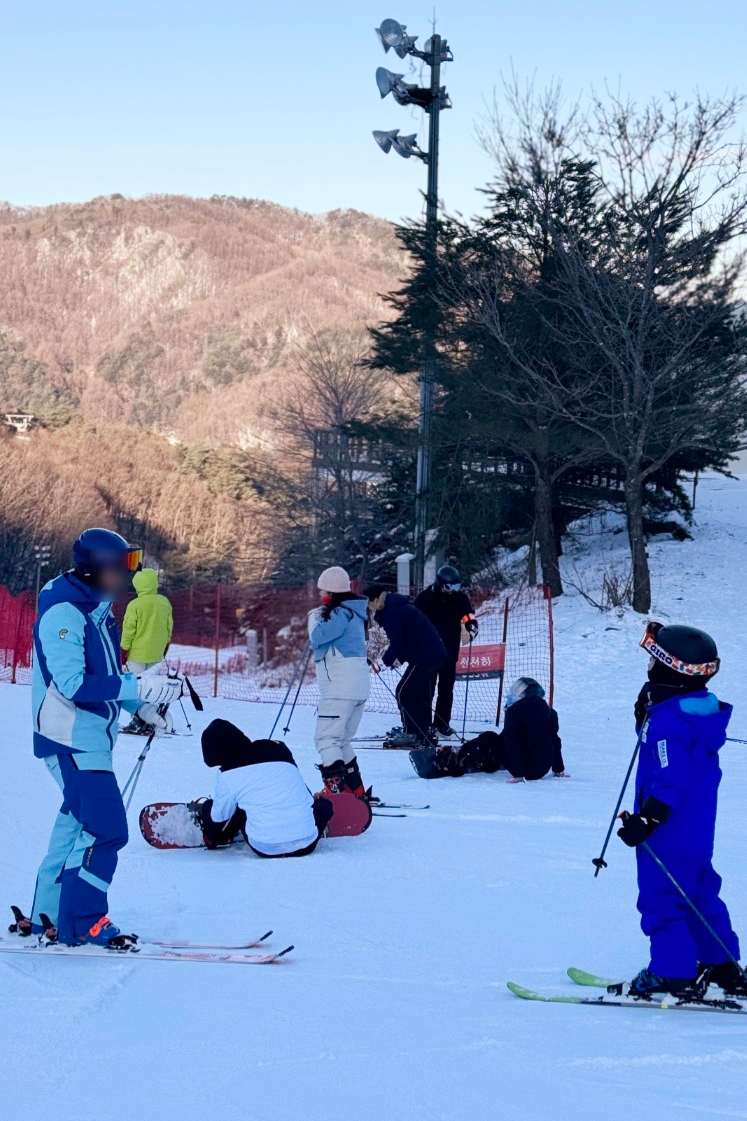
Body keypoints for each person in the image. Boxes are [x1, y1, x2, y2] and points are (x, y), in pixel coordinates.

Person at [24, 528, 182, 948]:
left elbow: (111, 675)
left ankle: (48, 916)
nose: (127, 577)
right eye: (120, 567)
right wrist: (138, 689)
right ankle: (85, 920)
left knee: (75, 827)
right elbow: (74, 685)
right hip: (70, 738)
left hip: (90, 737)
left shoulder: (100, 608)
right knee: (107, 829)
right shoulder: (63, 614)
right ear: (93, 569)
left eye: (132, 566)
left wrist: (140, 707)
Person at [617, 621, 746, 1000]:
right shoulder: (694, 714)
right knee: (699, 893)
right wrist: (647, 715)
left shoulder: (669, 722)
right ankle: (721, 964)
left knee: (661, 898)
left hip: (668, 832)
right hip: (696, 831)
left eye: (652, 661)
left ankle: (671, 973)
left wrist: (648, 818)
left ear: (668, 668)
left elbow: (669, 771)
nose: (648, 668)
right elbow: (673, 752)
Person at [199, 719, 334, 857]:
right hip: (307, 843)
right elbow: (299, 789)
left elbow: (219, 816)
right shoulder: (281, 750)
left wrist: (208, 808)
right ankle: (302, 824)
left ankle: (215, 838)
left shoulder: (227, 773)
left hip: (266, 847)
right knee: (325, 805)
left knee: (237, 807)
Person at [410, 677, 567, 780]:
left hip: (525, 769)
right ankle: (489, 758)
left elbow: (512, 741)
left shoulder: (516, 711)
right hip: (542, 768)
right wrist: (558, 769)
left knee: (489, 738)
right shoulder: (550, 713)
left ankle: (450, 760)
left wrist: (518, 774)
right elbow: (555, 741)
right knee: (501, 740)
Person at [308, 566, 371, 797]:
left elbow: (317, 637)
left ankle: (338, 793)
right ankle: (356, 790)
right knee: (342, 740)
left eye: (322, 592)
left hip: (339, 689)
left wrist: (314, 616)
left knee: (326, 739)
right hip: (359, 688)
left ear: (331, 594)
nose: (320, 596)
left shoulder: (339, 614)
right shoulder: (354, 613)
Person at [366, 585, 447, 748]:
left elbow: (398, 643)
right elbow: (406, 640)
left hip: (426, 656)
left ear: (376, 600)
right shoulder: (396, 607)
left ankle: (412, 734)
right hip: (433, 653)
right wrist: (397, 660)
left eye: (369, 604)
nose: (370, 609)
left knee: (403, 692)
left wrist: (383, 662)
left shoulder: (391, 613)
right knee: (417, 694)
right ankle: (423, 732)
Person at [414, 565, 478, 737]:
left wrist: (471, 626)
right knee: (427, 689)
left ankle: (442, 724)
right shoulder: (425, 598)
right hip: (428, 653)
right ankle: (424, 724)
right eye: (452, 587)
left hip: (449, 652)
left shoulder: (460, 598)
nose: (455, 591)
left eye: (458, 587)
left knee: (446, 689)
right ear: (442, 584)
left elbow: (468, 615)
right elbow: (413, 619)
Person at [121, 567, 174, 735]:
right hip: (156, 654)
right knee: (152, 689)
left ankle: (139, 720)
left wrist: (123, 650)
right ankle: (153, 719)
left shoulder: (135, 605)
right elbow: (168, 627)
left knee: (134, 689)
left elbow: (129, 630)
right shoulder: (164, 603)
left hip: (136, 654)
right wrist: (165, 645)